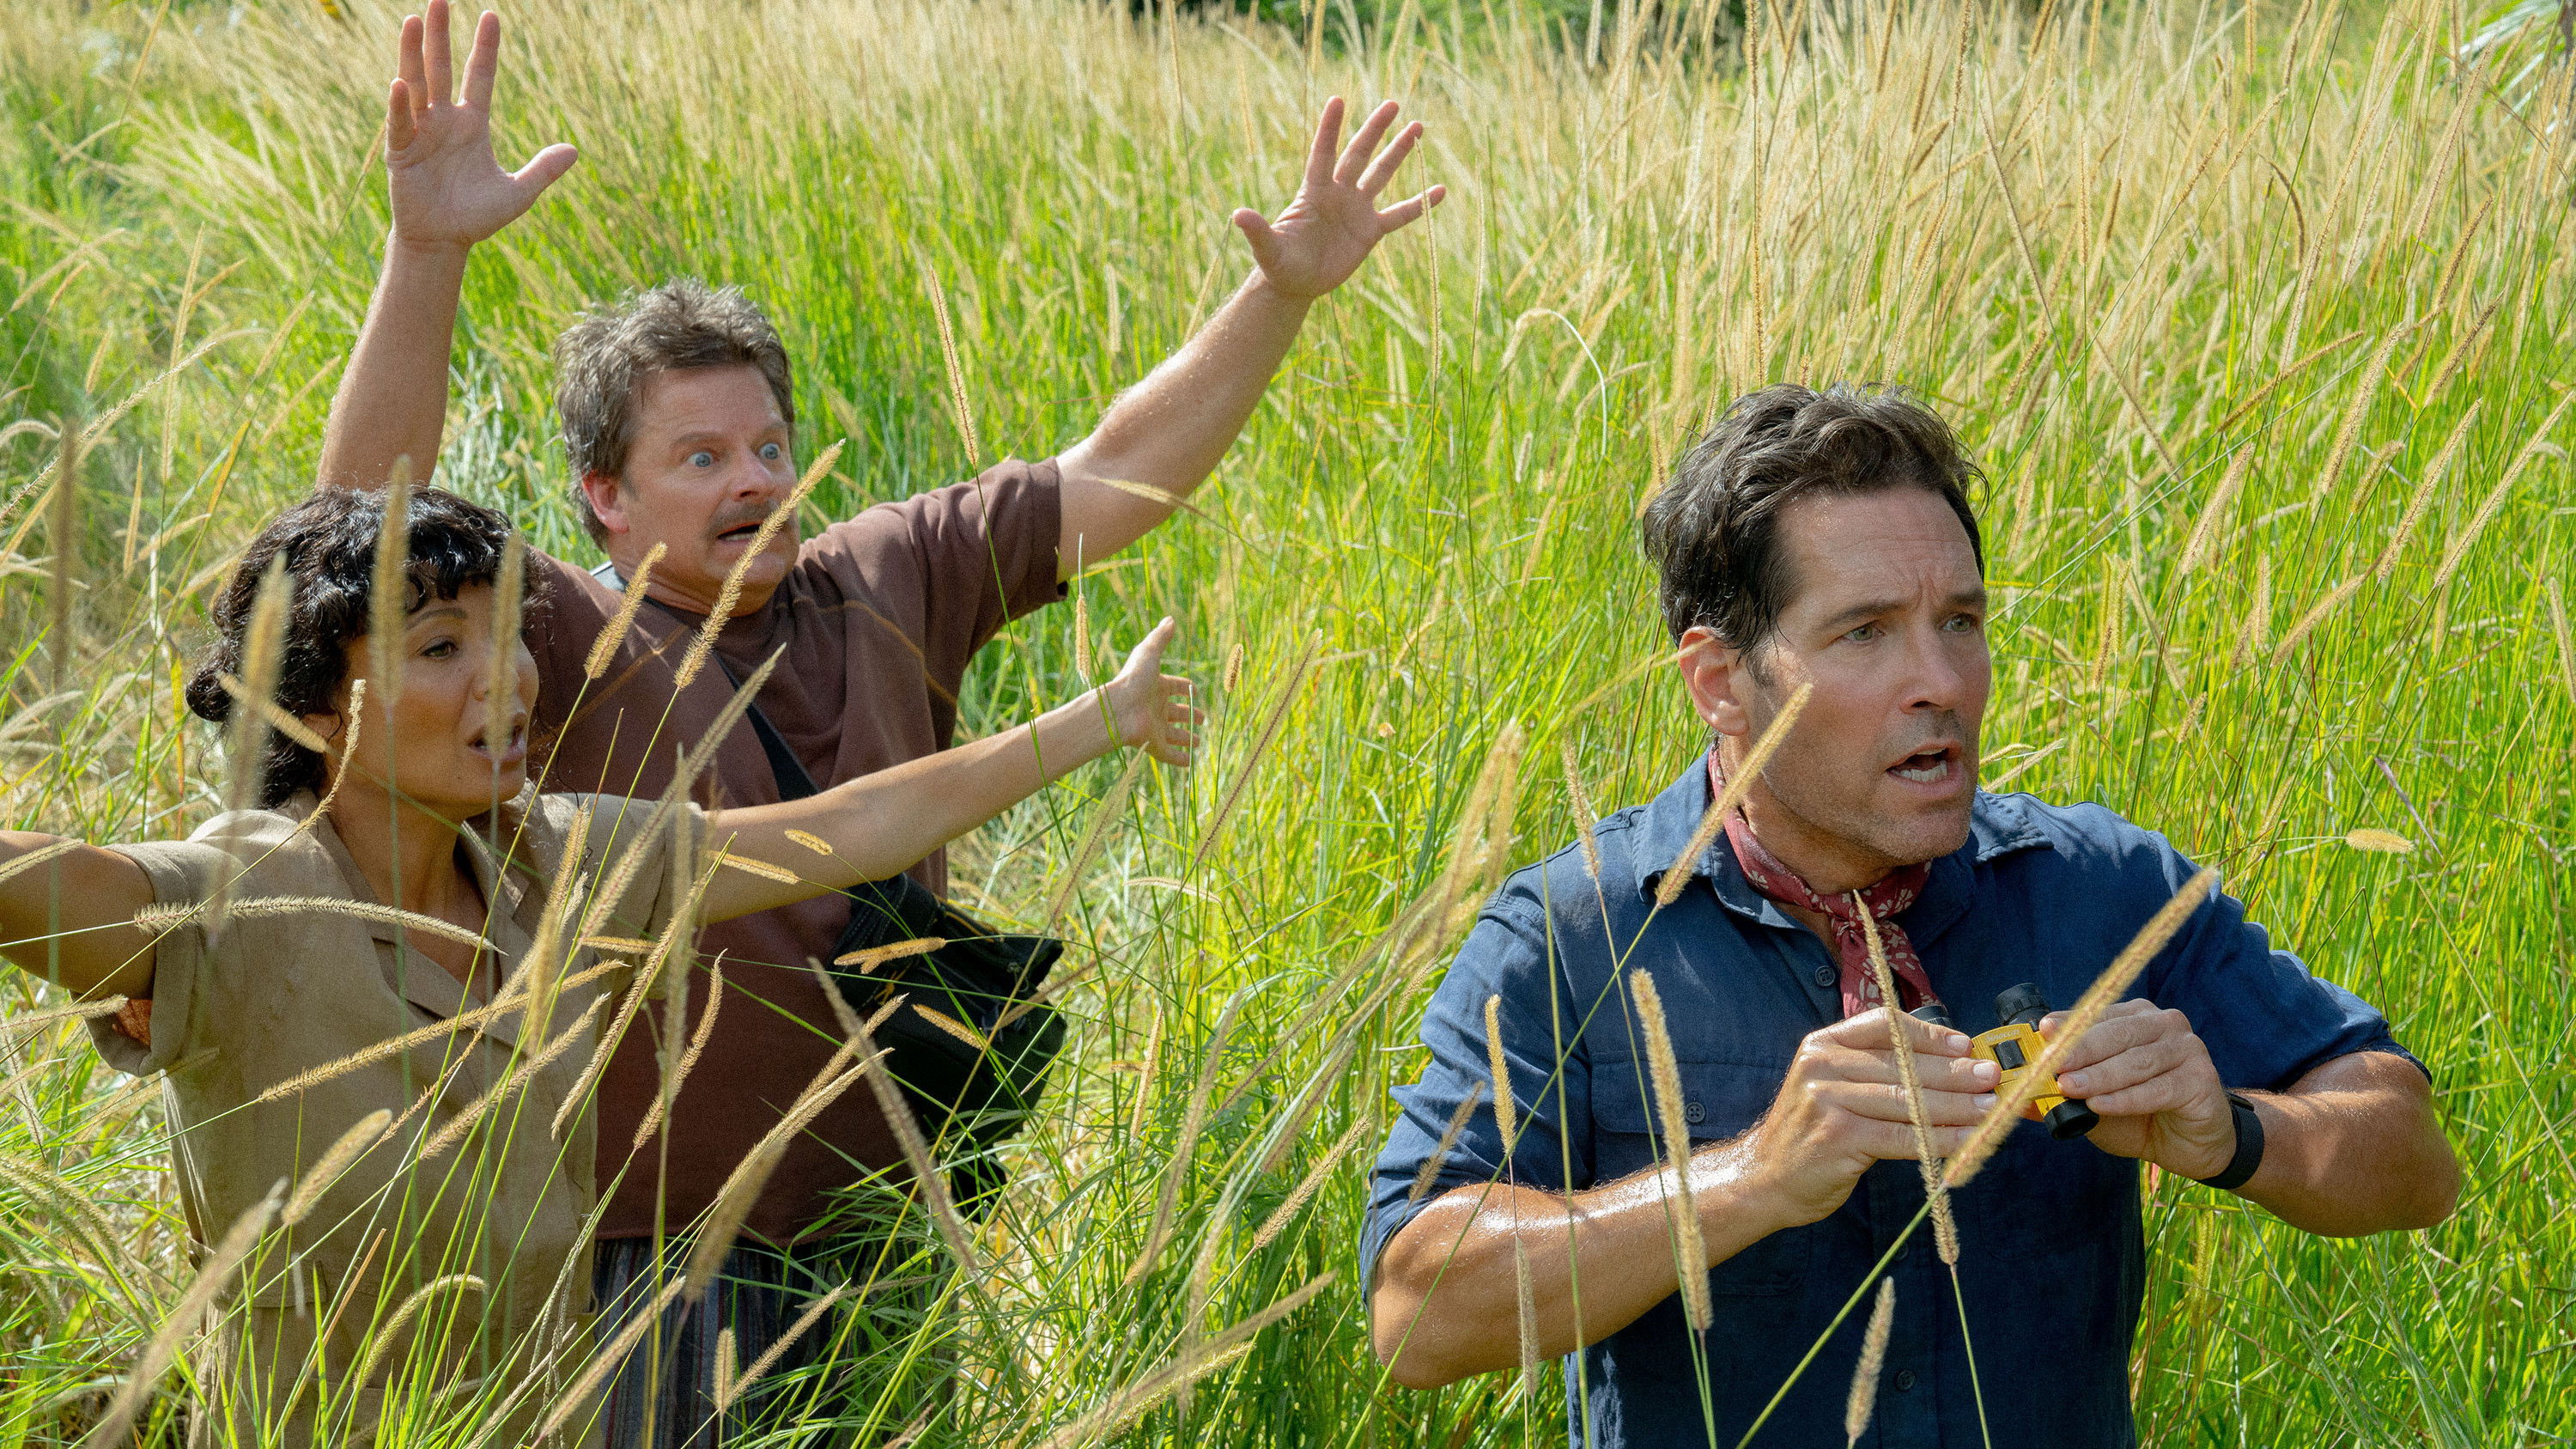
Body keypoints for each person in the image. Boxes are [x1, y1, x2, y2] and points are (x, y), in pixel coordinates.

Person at [310, 3, 1439, 1438]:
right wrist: (426, 254)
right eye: (700, 456)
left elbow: (1121, 470)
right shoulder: (557, 634)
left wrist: (1281, 298)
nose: (754, 479)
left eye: (770, 444)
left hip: (892, 1240)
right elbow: (363, 538)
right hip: (652, 1263)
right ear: (604, 496)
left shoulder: (889, 573)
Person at [1361, 384, 2460, 1446]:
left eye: (1960, 621)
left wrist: (2237, 1133)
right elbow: (1417, 1311)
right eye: (1865, 633)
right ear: (1720, 682)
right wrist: (1753, 1179)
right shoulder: (1573, 936)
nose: (1940, 680)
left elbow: (2416, 1157)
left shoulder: (2105, 886)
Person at [0, 485, 1193, 1447]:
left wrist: (1099, 717)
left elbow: (849, 829)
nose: (506, 678)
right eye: (441, 646)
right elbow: (49, 886)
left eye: (510, 635)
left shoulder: (558, 856)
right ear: (312, 706)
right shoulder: (248, 897)